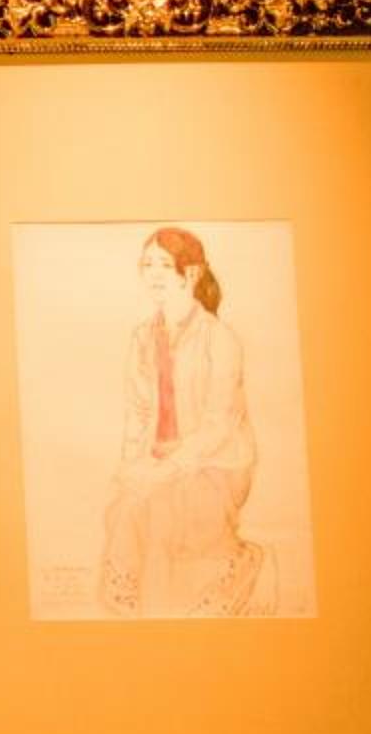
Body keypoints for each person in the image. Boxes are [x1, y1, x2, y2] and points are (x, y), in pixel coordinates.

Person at [98, 226, 265, 616]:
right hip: (160, 459)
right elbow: (139, 412)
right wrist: (133, 464)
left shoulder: (220, 338)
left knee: (167, 508)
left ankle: (231, 571)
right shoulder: (142, 337)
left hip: (217, 463)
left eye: (164, 264)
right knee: (127, 507)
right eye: (147, 265)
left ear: (191, 273)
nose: (153, 273)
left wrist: (168, 469)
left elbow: (219, 425)